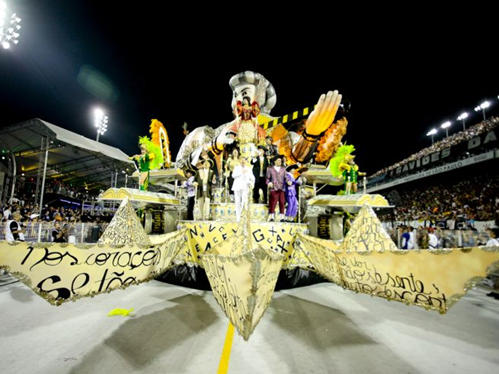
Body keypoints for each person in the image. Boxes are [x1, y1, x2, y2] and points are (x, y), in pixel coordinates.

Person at [231, 157, 255, 222]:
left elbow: (252, 177)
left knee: (244, 202)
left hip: (245, 187)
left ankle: (243, 216)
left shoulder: (249, 169)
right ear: (239, 161)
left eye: (244, 160)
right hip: (237, 186)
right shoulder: (237, 168)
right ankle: (238, 217)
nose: (243, 161)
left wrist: (251, 183)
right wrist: (241, 172)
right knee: (237, 202)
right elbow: (233, 175)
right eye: (241, 160)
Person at [266, 156, 287, 222]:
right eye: (278, 160)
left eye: (280, 160)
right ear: (275, 161)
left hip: (281, 188)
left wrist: (288, 181)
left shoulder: (283, 169)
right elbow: (267, 178)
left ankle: (282, 217)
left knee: (282, 202)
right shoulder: (270, 169)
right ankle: (272, 217)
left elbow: (286, 177)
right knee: (273, 203)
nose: (279, 162)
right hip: (273, 188)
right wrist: (268, 183)